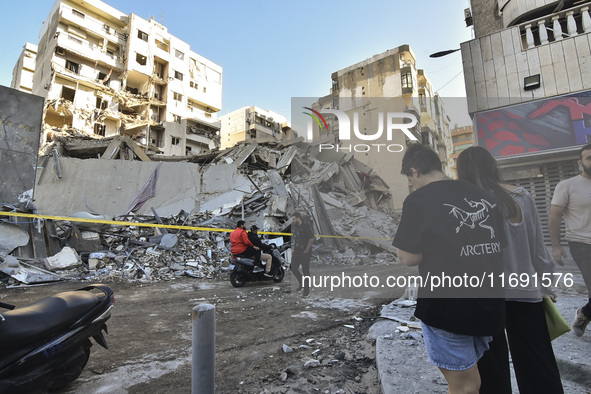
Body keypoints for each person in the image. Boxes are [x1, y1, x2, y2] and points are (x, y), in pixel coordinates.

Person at [392, 143, 505, 394]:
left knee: (464, 385)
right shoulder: (482, 195)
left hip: (449, 308)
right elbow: (497, 246)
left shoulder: (418, 200)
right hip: (489, 305)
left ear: (415, 172)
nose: (411, 185)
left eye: (410, 180)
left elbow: (408, 257)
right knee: (472, 378)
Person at [457, 146, 563, 394]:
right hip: (526, 292)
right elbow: (538, 249)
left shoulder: (467, 205)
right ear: (493, 166)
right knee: (538, 363)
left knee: (492, 370)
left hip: (485, 296)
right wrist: (547, 285)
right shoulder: (522, 197)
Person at [549, 143, 591, 337]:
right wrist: (556, 246)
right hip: (582, 243)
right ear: (580, 162)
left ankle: (585, 313)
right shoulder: (568, 185)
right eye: (589, 158)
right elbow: (555, 216)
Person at [290, 212, 315, 297]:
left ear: (298, 218)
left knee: (305, 271)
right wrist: (293, 249)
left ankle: (306, 290)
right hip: (297, 251)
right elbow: (296, 239)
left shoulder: (306, 226)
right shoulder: (296, 227)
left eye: (294, 219)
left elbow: (311, 238)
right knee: (293, 267)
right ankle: (302, 283)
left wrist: (307, 250)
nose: (293, 221)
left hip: (304, 252)